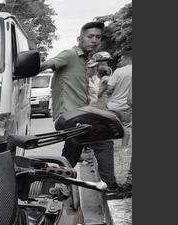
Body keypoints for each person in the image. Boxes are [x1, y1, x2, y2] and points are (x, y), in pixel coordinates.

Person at [39, 21, 127, 193]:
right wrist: (22, 68)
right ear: (79, 38)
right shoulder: (70, 55)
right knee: (103, 143)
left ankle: (52, 185)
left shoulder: (85, 60)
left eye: (97, 37)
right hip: (70, 116)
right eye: (90, 36)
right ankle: (111, 187)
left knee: (72, 152)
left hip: (78, 115)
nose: (94, 40)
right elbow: (46, 65)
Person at [103, 50, 132, 148]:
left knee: (109, 127)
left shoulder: (118, 71)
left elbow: (110, 88)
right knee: (126, 127)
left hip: (113, 106)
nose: (120, 61)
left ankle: (108, 147)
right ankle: (124, 148)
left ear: (126, 59)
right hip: (127, 106)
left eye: (121, 59)